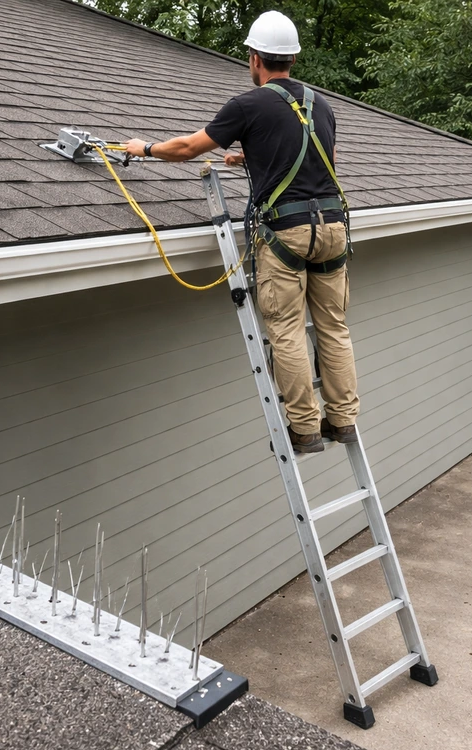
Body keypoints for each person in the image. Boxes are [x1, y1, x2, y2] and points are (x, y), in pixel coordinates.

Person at [125, 11, 359, 454]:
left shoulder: (248, 104)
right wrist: (250, 157)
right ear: (291, 58)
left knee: (287, 330)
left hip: (288, 234)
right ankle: (343, 420)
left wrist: (146, 149)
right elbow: (305, 159)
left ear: (255, 58)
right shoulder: (321, 104)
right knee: (334, 328)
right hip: (333, 228)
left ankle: (306, 430)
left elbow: (189, 148)